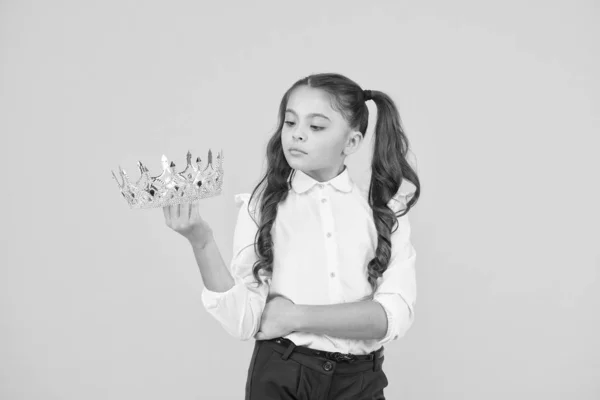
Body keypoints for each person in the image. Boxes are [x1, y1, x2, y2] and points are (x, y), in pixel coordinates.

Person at [162, 72, 420, 400]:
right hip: (283, 374)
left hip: (360, 383)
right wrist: (201, 241)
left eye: (316, 127)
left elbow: (391, 317)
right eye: (290, 122)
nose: (297, 135)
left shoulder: (385, 212)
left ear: (352, 142)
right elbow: (246, 322)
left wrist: (296, 316)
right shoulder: (262, 206)